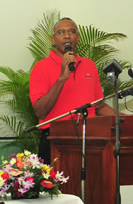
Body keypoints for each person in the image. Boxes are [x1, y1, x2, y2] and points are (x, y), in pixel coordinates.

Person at [29, 17, 114, 162]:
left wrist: (126, 119)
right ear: (53, 39)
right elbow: (40, 111)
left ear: (78, 38)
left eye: (71, 32)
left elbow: (98, 106)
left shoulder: (89, 66)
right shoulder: (41, 67)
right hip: (55, 140)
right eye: (61, 32)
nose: (67, 36)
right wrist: (62, 78)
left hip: (90, 138)